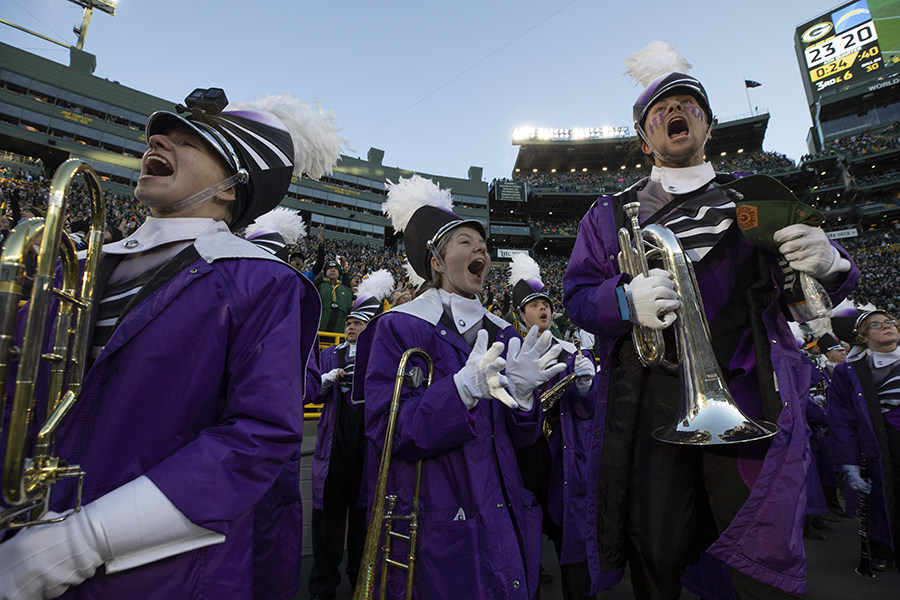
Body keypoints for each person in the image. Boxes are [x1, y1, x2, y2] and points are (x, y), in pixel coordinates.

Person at [0, 87, 344, 599]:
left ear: (230, 187)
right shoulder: (70, 262)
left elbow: (257, 437)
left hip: (160, 574)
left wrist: (82, 541)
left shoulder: (263, 281)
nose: (157, 138)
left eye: (191, 140)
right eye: (163, 134)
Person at [563, 42, 859, 599]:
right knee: (656, 546)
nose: (677, 112)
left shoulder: (754, 194)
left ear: (708, 123)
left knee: (755, 545)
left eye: (690, 106)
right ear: (643, 136)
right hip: (650, 394)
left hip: (748, 393)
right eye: (661, 109)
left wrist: (832, 261)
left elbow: (808, 302)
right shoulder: (609, 212)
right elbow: (577, 296)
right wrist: (625, 301)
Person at [353, 174, 566, 599]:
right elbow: (388, 432)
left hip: (502, 510)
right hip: (433, 520)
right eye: (466, 242)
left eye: (483, 246)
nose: (481, 250)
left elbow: (519, 439)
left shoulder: (505, 332)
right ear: (436, 260)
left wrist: (524, 402)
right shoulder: (397, 326)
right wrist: (460, 392)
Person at [509, 254, 597, 600]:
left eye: (545, 303)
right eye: (533, 305)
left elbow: (588, 413)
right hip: (526, 462)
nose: (542, 309)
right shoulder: (511, 351)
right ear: (520, 314)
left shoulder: (570, 353)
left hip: (564, 462)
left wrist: (587, 390)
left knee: (572, 551)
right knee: (523, 553)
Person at [307, 269, 393, 600]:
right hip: (334, 453)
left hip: (366, 453)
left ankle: (361, 585)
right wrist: (325, 380)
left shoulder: (380, 358)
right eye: (349, 323)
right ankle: (322, 588)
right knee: (327, 523)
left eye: (358, 323)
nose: (351, 326)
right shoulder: (329, 354)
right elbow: (310, 394)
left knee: (363, 525)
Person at [828, 309, 900, 572]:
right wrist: (849, 463)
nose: (887, 327)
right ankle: (883, 548)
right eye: (876, 325)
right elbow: (842, 420)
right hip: (882, 444)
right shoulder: (848, 372)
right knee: (883, 500)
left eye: (891, 322)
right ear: (862, 337)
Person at [316, 257, 353, 334]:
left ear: (339, 273)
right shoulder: (319, 286)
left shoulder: (347, 291)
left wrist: (344, 268)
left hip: (339, 335)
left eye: (335, 269)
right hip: (319, 333)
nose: (333, 270)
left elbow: (349, 287)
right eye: (330, 268)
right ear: (325, 272)